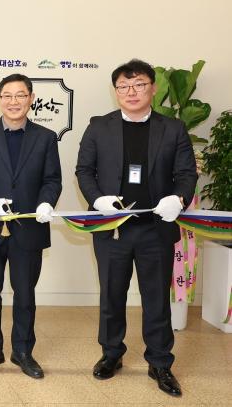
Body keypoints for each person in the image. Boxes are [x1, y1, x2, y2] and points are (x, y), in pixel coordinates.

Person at [75, 59, 197, 397]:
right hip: (113, 228)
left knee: (156, 298)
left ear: (152, 88)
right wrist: (97, 199)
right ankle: (111, 354)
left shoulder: (172, 128)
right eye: (123, 86)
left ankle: (160, 362)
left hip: (155, 228)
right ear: (115, 91)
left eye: (139, 84)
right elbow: (84, 170)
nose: (131, 92)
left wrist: (179, 198)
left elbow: (187, 173)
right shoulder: (99, 126)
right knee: (111, 295)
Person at [0, 73, 62, 379]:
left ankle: (23, 351)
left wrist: (46, 203)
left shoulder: (45, 137)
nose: (13, 101)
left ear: (31, 98)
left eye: (20, 95)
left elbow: (52, 180)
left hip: (29, 228)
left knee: (25, 293)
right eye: (7, 95)